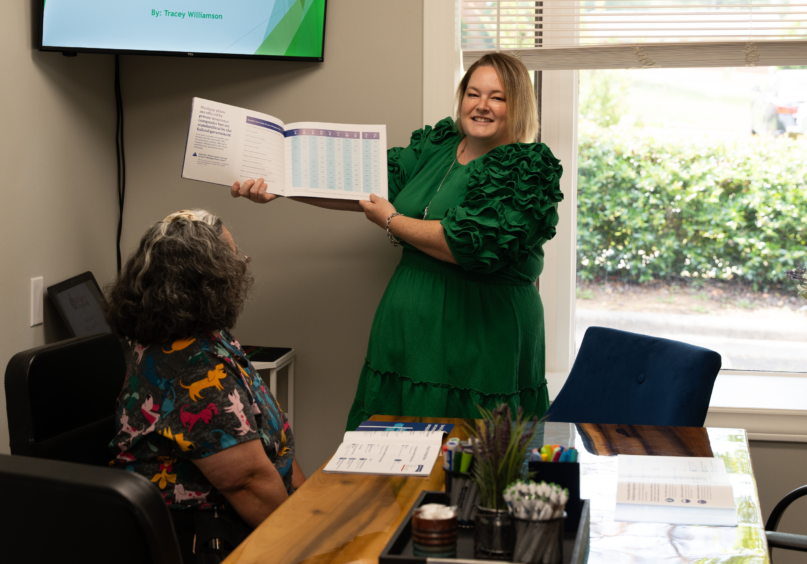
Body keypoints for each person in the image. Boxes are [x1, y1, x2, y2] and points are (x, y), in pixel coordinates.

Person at [232, 53, 563, 429]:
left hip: (483, 333)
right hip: (409, 330)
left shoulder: (529, 168)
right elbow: (358, 185)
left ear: (518, 104)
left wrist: (391, 220)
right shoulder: (436, 147)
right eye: (473, 94)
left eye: (497, 97)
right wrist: (282, 185)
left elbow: (465, 244)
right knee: (393, 456)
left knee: (477, 458)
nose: (482, 106)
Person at [104, 209, 305, 563]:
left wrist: (310, 505)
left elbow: (273, 436)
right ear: (207, 280)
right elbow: (249, 482)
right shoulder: (191, 370)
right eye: (234, 260)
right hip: (204, 536)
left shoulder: (204, 337)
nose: (242, 265)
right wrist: (312, 547)